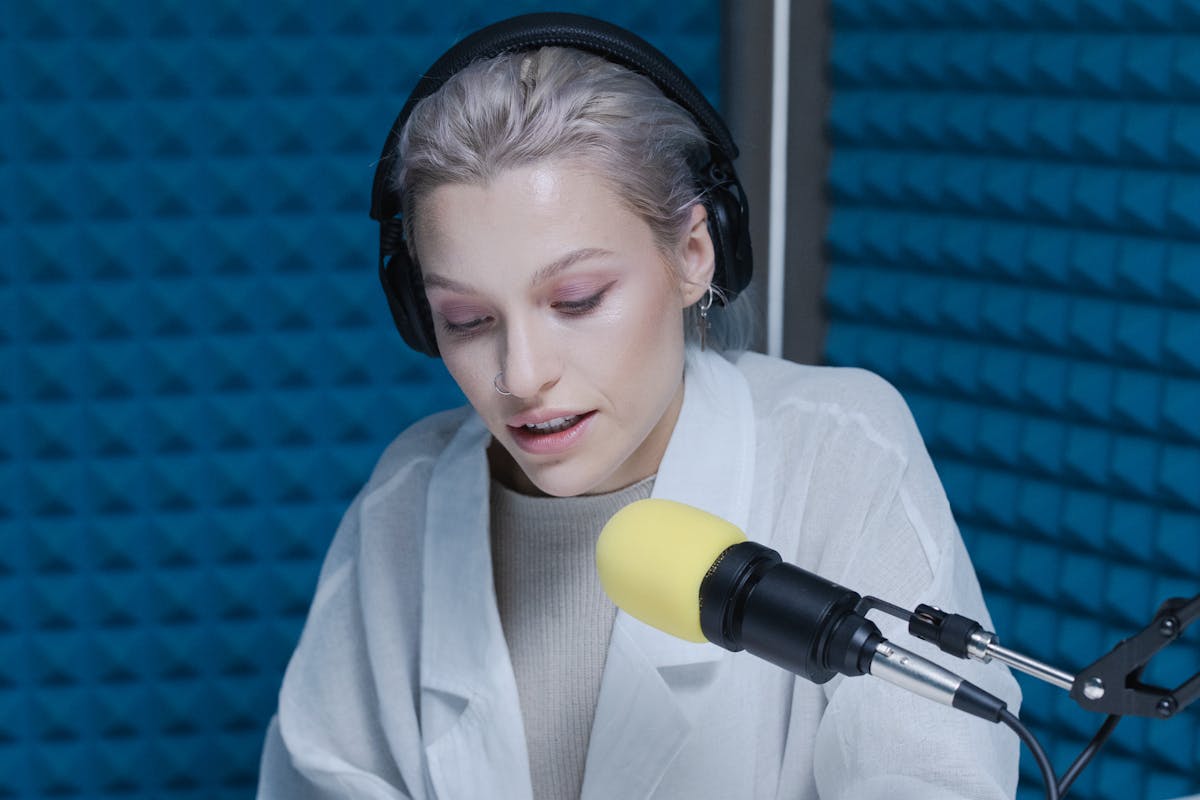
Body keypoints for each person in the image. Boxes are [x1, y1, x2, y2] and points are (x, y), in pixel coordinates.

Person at [257, 13, 1021, 800]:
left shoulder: (838, 451)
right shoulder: (406, 501)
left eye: (578, 300)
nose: (522, 375)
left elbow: (932, 777)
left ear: (695, 253)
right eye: (467, 321)